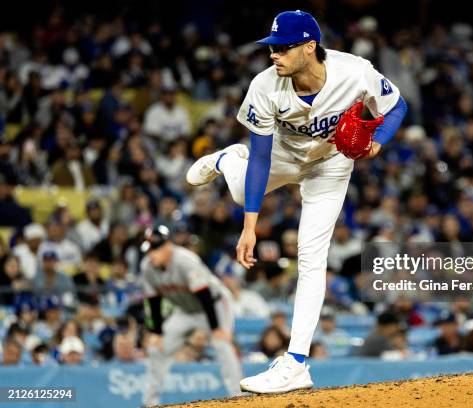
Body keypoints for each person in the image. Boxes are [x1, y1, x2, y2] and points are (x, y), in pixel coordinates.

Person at [186, 10, 406, 394]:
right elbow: (260, 158)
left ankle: (296, 363)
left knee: (311, 257)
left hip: (331, 162)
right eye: (272, 47)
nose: (274, 55)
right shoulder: (265, 86)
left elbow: (397, 106)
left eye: (283, 48)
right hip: (281, 157)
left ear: (309, 47)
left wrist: (378, 141)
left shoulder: (354, 72)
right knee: (239, 191)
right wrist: (249, 228)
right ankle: (224, 159)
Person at [139, 225, 242, 406]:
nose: (151, 254)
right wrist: (156, 332)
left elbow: (204, 295)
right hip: (184, 311)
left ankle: (239, 397)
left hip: (214, 304)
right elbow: (153, 301)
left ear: (167, 246)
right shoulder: (147, 267)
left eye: (155, 249)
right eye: (149, 250)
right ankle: (149, 403)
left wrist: (216, 328)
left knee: (222, 343)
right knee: (157, 349)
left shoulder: (185, 260)